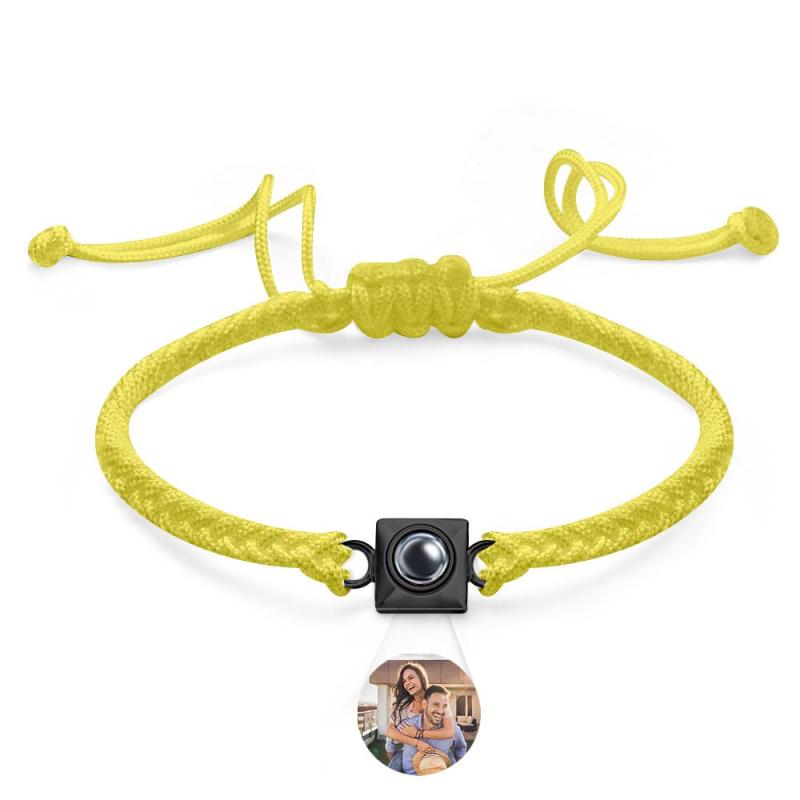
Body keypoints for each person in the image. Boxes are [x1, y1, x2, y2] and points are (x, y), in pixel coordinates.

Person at [383, 663, 456, 771]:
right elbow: (389, 731)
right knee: (391, 747)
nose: (407, 683)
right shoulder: (403, 706)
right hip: (410, 748)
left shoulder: (437, 698)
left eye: (411, 677)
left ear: (421, 678)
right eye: (404, 681)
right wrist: (417, 743)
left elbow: (449, 732)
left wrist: (418, 733)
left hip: (437, 748)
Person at [399, 685, 458, 775]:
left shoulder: (453, 728)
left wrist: (417, 733)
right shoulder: (407, 725)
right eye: (436, 704)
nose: (440, 711)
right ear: (424, 704)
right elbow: (390, 745)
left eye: (444, 706)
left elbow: (461, 747)